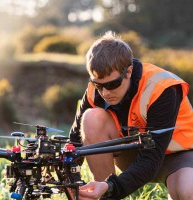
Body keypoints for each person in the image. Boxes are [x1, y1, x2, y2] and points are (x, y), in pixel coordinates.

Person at [69, 31, 193, 200]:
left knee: (188, 190)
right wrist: (71, 180)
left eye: (113, 84)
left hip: (177, 155)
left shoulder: (163, 88)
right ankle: (105, 197)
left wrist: (112, 187)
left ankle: (108, 191)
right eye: (98, 85)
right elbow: (74, 143)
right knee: (92, 118)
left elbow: (151, 159)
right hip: (132, 151)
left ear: (128, 71)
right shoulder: (97, 89)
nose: (105, 93)